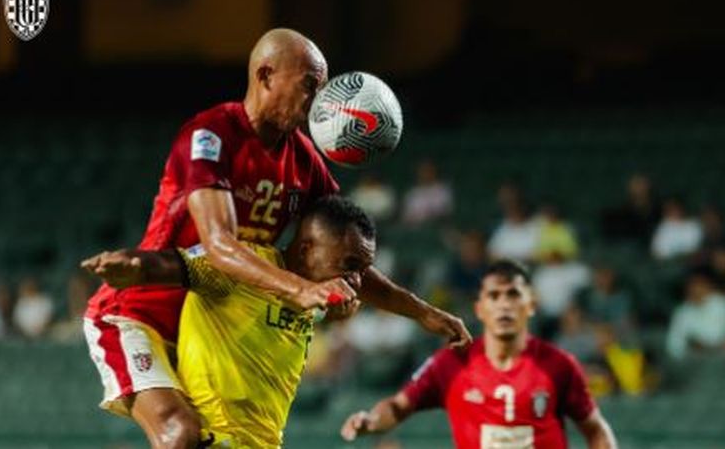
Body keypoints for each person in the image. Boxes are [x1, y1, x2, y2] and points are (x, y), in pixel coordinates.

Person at [83, 28, 470, 449]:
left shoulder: (304, 160)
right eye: (310, 85)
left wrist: (423, 313)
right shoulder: (211, 135)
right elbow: (218, 244)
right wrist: (303, 289)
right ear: (266, 75)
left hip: (207, 328)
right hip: (139, 313)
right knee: (180, 433)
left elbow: (344, 252)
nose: (319, 101)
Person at [84, 196, 377, 446]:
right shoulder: (244, 267)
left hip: (262, 443)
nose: (355, 279)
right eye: (349, 264)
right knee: (178, 433)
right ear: (306, 250)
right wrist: (136, 266)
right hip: (212, 437)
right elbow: (176, 264)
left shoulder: (314, 296)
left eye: (361, 271)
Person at [340, 260, 617, 449]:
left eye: (513, 295)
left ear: (530, 305)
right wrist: (372, 421)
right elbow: (398, 406)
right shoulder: (452, 363)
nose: (504, 305)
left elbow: (595, 431)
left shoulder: (559, 365)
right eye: (494, 296)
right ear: (480, 308)